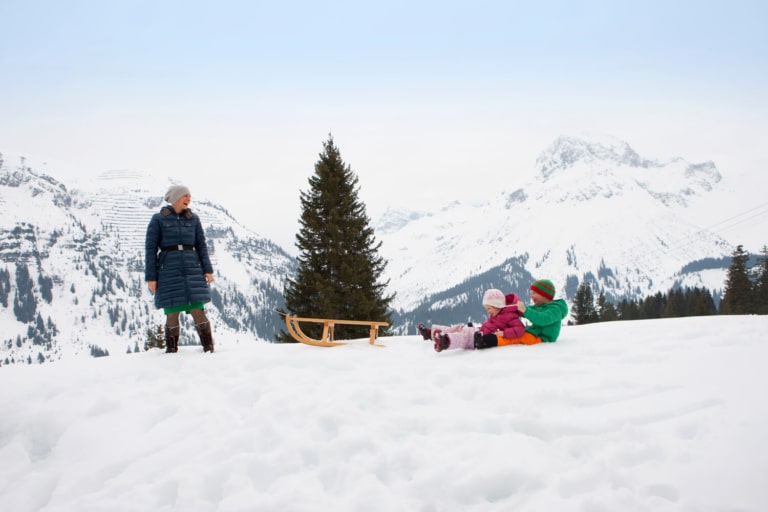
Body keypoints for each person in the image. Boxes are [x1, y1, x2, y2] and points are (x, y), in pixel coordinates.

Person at [145, 185, 215, 353]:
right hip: (169, 270)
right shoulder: (158, 220)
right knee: (172, 311)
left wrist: (208, 270)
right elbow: (150, 249)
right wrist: (151, 277)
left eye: (190, 196)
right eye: (185, 195)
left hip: (192, 269)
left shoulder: (194, 219)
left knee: (197, 308)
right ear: (175, 197)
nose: (188, 199)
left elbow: (201, 246)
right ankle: (171, 351)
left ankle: (209, 348)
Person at [418, 289, 526, 352]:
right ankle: (430, 334)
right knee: (458, 328)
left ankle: (445, 341)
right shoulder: (497, 313)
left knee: (464, 337)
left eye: (489, 309)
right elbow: (488, 325)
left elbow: (520, 329)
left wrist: (504, 333)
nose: (488, 312)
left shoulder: (510, 316)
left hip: (481, 338)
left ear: (497, 305)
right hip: (478, 331)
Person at [475, 279, 568, 348]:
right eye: (531, 293)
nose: (531, 296)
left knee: (518, 337)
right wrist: (510, 309)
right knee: (514, 331)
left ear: (544, 294)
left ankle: (491, 341)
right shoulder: (539, 306)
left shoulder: (555, 310)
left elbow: (542, 319)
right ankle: (485, 335)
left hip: (543, 338)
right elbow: (525, 310)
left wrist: (525, 311)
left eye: (534, 293)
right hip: (535, 333)